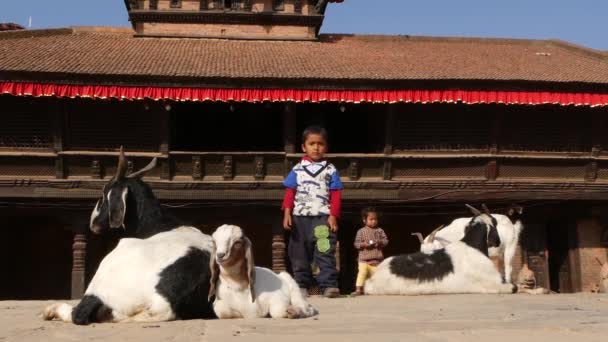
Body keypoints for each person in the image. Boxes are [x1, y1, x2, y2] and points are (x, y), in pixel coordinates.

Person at [282, 125, 343, 298]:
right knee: (298, 254)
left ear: (326, 147)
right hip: (299, 219)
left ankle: (328, 285)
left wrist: (333, 216)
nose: (316, 147)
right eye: (312, 143)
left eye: (320, 144)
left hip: (322, 219)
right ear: (304, 147)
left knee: (324, 251)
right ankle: (301, 285)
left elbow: (336, 194)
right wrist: (287, 213)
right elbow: (290, 193)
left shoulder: (331, 170)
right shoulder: (297, 169)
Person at [352, 207, 388, 296]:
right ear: (364, 220)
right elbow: (356, 244)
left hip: (377, 261)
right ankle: (358, 289)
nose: (374, 221)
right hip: (364, 260)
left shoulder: (380, 231)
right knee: (362, 273)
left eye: (375, 219)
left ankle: (376, 290)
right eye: (371, 219)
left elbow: (386, 241)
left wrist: (380, 242)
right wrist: (364, 244)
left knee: (377, 276)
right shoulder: (360, 232)